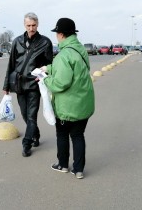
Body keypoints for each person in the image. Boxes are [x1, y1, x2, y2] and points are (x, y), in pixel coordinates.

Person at [39, 18, 95, 179]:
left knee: (62, 134)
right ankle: (78, 170)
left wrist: (45, 79)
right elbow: (73, 67)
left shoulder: (63, 54)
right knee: (78, 135)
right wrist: (48, 68)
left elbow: (60, 83)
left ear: (61, 34)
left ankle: (62, 164)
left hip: (67, 106)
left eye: (57, 33)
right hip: (83, 102)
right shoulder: (80, 50)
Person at [2, 12, 53, 157]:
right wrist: (6, 86)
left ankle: (26, 143)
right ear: (24, 25)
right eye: (28, 25)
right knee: (24, 115)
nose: (31, 28)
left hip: (34, 84)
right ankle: (35, 134)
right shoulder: (17, 41)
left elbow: (50, 64)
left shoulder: (45, 42)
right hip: (18, 84)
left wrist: (44, 77)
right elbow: (11, 63)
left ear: (38, 24)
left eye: (34, 25)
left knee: (31, 116)